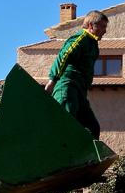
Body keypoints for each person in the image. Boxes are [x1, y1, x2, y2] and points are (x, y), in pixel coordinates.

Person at [44, 10, 108, 139]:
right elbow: (64, 56)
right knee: (66, 121)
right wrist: (52, 80)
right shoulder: (81, 38)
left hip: (80, 91)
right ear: (91, 25)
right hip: (68, 86)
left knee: (93, 128)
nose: (104, 30)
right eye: (102, 26)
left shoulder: (93, 44)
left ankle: (89, 158)